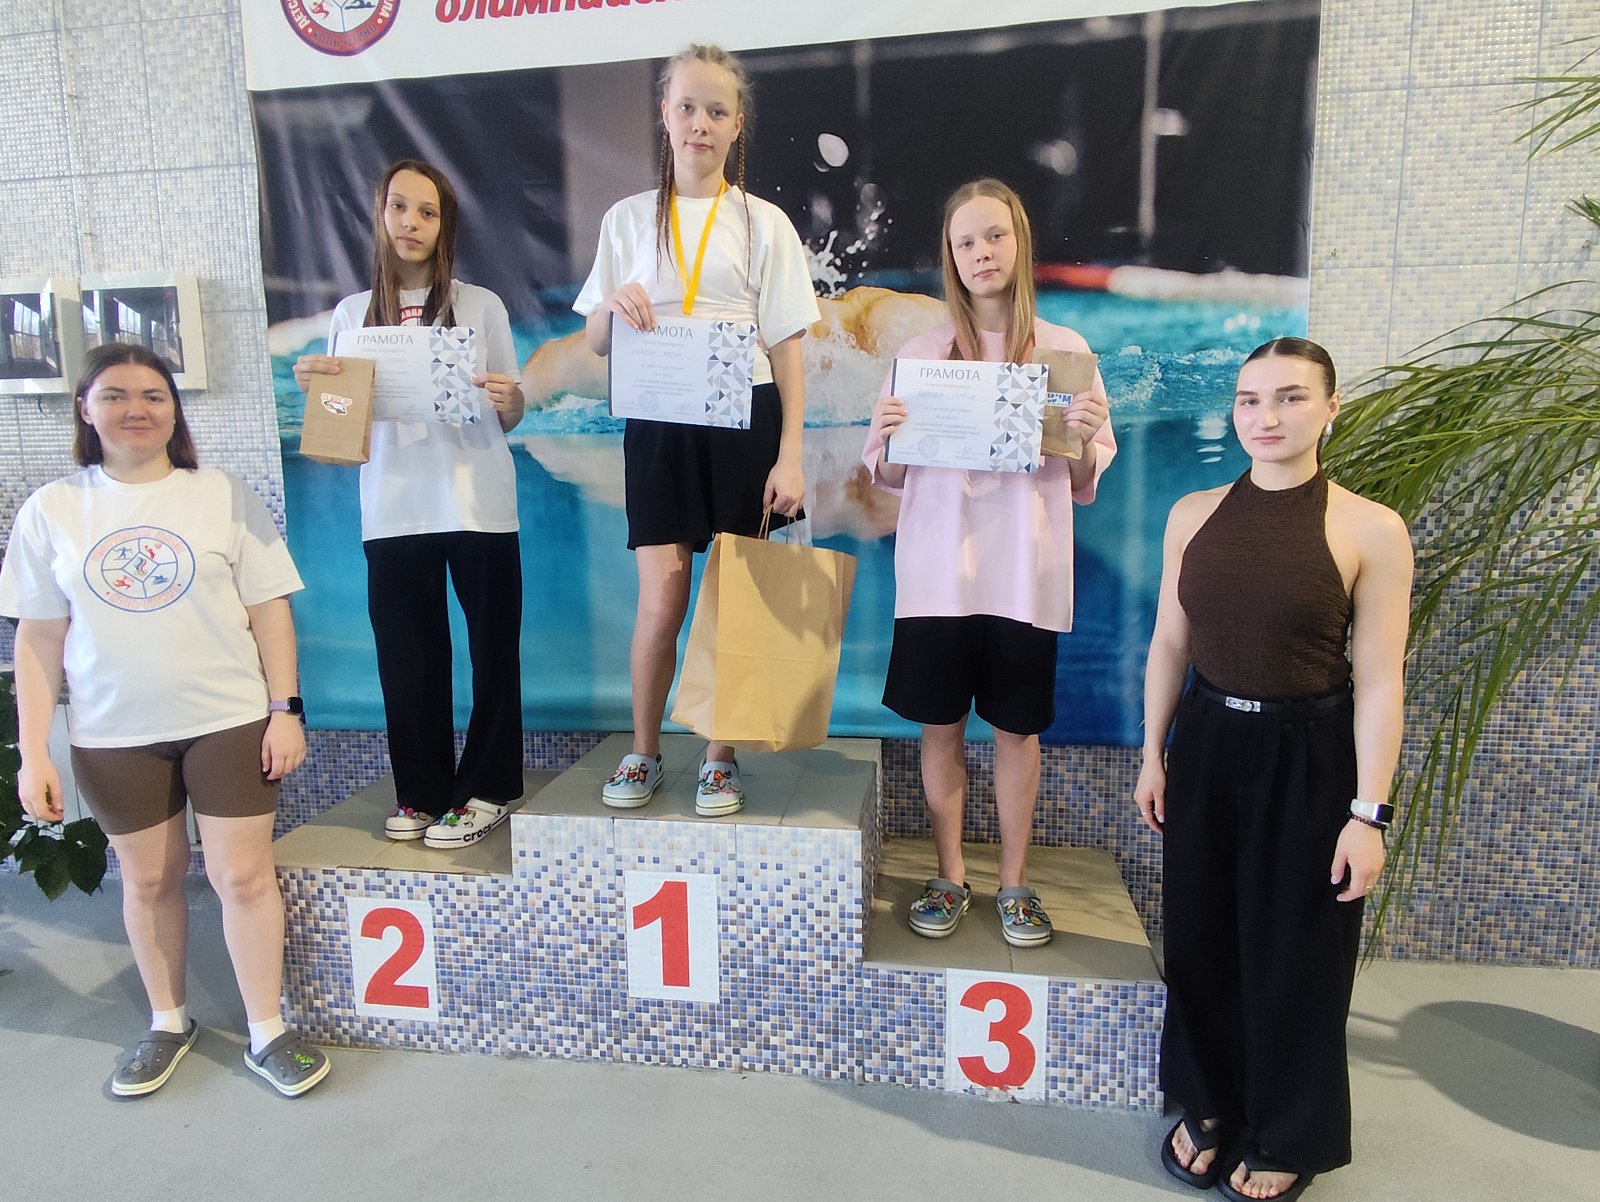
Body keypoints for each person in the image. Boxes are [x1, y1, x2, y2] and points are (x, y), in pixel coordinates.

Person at [1, 343, 330, 1098]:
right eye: (115, 395)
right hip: (114, 734)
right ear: (84, 409)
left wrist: (285, 710)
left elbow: (269, 611)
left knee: (241, 875)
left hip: (228, 720)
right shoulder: (52, 509)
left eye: (153, 395)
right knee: (150, 879)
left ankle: (267, 1031)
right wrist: (34, 753)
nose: (136, 410)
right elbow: (38, 639)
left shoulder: (220, 494)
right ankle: (167, 1021)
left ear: (174, 410)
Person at [1134, 337, 1413, 1201]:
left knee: (1299, 953)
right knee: (1202, 937)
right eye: (1249, 400)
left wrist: (1368, 815)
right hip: (1208, 744)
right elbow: (1170, 643)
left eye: (1291, 398)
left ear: (1330, 409)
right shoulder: (1193, 514)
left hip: (1310, 757)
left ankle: (1289, 1131)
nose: (1267, 416)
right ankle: (1211, 1102)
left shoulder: (1370, 528)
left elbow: (1381, 681)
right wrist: (1152, 754)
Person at [861, 178, 1116, 947]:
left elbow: (1084, 479)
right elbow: (887, 473)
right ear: (950, 255)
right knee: (939, 730)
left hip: (1022, 577)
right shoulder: (921, 355)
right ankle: (950, 875)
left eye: (994, 236)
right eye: (965, 241)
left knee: (1015, 733)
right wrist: (890, 436)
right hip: (938, 577)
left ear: (1020, 241)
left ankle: (1014, 884)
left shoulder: (1067, 354)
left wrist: (1085, 435)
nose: (981, 253)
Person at [574, 44, 820, 816]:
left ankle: (720, 756)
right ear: (665, 114)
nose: (700, 124)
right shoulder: (625, 220)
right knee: (662, 600)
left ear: (737, 123)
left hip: (745, 418)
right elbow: (595, 340)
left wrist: (791, 455)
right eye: (687, 107)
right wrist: (611, 308)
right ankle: (644, 750)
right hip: (658, 424)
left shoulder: (764, 223)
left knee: (737, 602)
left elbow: (787, 346)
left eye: (717, 110)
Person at [293, 159, 527, 848]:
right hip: (393, 509)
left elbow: (511, 411)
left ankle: (488, 789)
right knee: (407, 659)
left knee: (492, 653)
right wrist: (318, 391)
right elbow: (340, 434)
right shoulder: (351, 316)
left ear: (445, 224)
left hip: (478, 500)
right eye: (400, 207)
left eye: (428, 211)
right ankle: (420, 792)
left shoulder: (481, 306)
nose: (412, 222)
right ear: (380, 214)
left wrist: (511, 399)